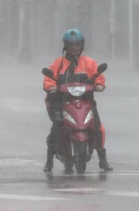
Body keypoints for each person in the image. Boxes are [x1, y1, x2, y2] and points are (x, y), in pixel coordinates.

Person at [43, 29, 113, 173]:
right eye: (72, 44)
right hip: (62, 101)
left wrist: (99, 85)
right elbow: (49, 78)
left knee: (97, 126)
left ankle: (102, 159)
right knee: (57, 125)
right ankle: (49, 160)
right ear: (66, 46)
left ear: (82, 45)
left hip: (85, 101)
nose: (75, 47)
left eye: (78, 44)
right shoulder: (58, 64)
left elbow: (98, 76)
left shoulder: (89, 63)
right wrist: (51, 88)